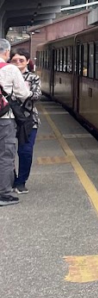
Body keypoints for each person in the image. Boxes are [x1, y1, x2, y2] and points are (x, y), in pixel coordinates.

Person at [0, 39, 30, 206]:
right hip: (5, 119)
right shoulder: (10, 69)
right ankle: (4, 194)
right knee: (5, 155)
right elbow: (24, 94)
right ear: (6, 52)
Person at [11, 53, 40, 193]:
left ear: (27, 61)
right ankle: (11, 179)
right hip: (8, 118)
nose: (18, 62)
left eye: (21, 60)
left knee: (25, 151)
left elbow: (36, 95)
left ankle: (21, 181)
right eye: (14, 60)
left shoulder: (33, 77)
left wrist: (20, 93)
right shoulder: (5, 75)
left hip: (29, 119)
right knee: (7, 152)